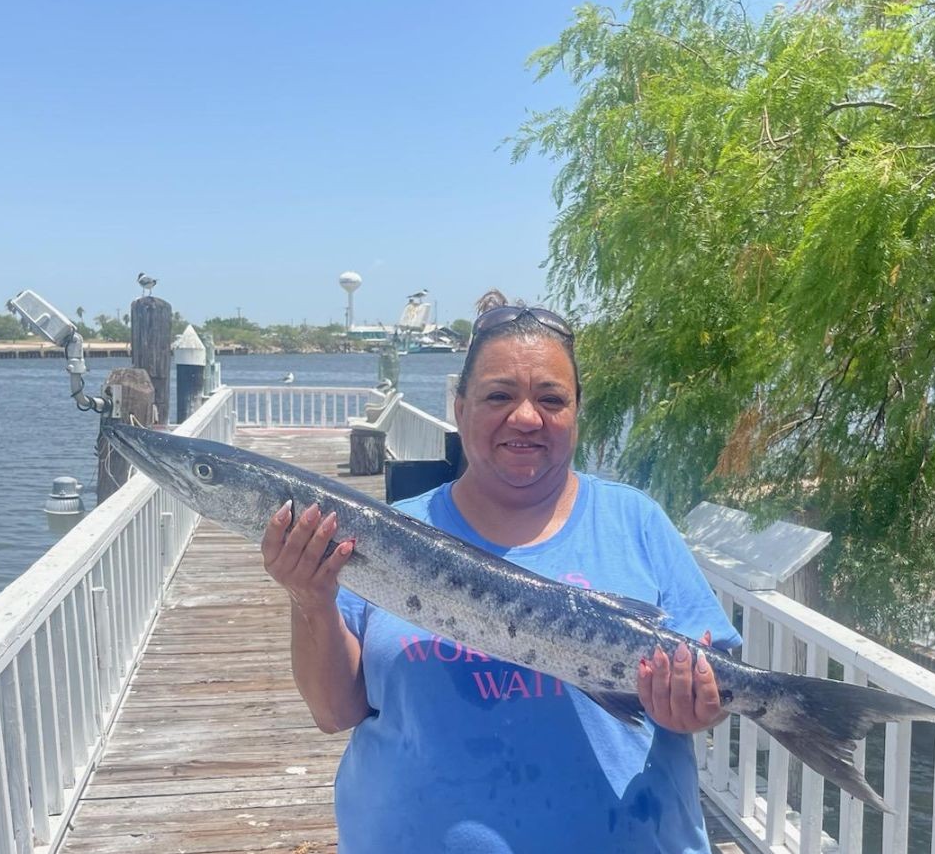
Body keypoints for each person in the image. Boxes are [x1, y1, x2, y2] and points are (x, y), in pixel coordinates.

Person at [260, 291, 741, 853]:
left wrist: (695, 704)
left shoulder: (636, 521)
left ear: (577, 412)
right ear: (459, 408)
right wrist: (309, 598)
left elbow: (718, 671)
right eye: (499, 395)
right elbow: (333, 710)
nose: (526, 417)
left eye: (552, 398)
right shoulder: (382, 535)